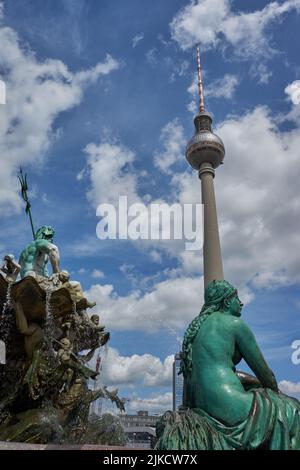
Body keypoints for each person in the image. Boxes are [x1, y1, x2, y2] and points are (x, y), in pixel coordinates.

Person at [156, 280, 300, 450]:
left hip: (204, 408)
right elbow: (266, 375)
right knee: (291, 411)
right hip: (231, 406)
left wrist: (253, 382)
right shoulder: (235, 324)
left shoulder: (194, 332)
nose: (241, 303)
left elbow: (210, 375)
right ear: (226, 301)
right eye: (236, 298)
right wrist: (278, 395)